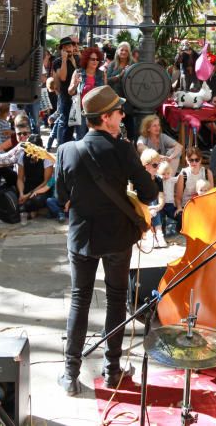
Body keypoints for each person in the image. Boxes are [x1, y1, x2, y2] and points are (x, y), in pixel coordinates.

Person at [55, 86, 158, 396]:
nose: (123, 116)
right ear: (104, 118)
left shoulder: (67, 150)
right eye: (118, 112)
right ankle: (112, 370)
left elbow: (61, 197)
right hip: (117, 238)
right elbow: (149, 194)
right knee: (115, 298)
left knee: (79, 299)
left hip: (82, 237)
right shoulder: (123, 150)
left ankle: (71, 373)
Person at [69, 45, 107, 140]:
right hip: (81, 111)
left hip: (97, 112)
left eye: (97, 59)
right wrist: (75, 84)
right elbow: (70, 92)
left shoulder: (102, 74)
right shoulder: (78, 72)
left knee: (96, 138)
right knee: (81, 137)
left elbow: (105, 93)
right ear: (87, 60)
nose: (95, 61)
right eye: (92, 59)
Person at [51, 35, 80, 147]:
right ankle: (62, 148)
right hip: (65, 97)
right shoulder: (57, 62)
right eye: (66, 47)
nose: (69, 48)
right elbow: (63, 77)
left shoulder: (77, 59)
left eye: (70, 46)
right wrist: (64, 60)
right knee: (66, 124)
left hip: (78, 97)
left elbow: (80, 73)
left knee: (77, 126)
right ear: (61, 49)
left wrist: (73, 60)